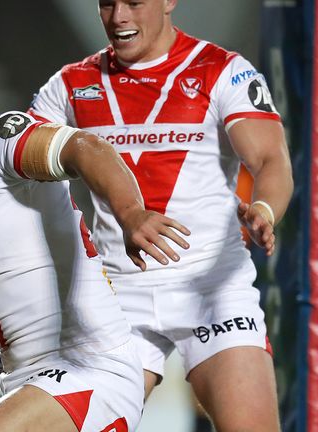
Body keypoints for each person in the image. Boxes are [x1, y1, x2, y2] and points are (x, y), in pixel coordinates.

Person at [0, 33, 191, 432]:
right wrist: (12, 359)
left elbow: (83, 146)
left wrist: (131, 214)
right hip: (26, 378)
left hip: (86, 370)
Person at [29, 1, 293, 431]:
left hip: (211, 294)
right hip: (116, 300)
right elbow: (17, 154)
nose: (119, 17)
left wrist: (263, 208)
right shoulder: (70, 84)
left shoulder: (222, 69)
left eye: (134, 2)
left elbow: (270, 160)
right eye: (107, 3)